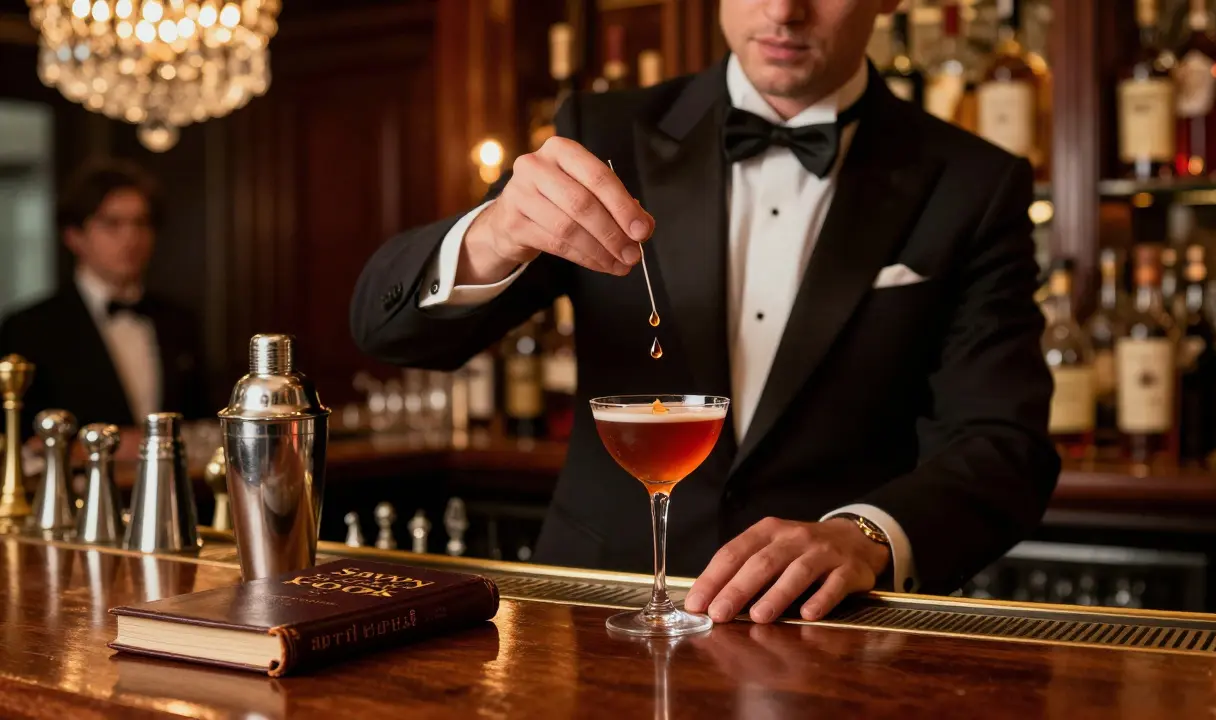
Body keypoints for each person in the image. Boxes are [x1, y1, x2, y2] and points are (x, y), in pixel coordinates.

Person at [351, 0, 1060, 623]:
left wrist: (868, 536)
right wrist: (497, 233)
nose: (784, 11)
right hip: (595, 617)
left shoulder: (974, 183)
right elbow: (386, 331)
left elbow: (1004, 446)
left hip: (828, 633)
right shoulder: (605, 133)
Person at [0, 159, 210, 440]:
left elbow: (202, 422)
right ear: (74, 236)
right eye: (112, 223)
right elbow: (20, 437)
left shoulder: (179, 321)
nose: (131, 237)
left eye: (141, 223)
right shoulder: (29, 327)